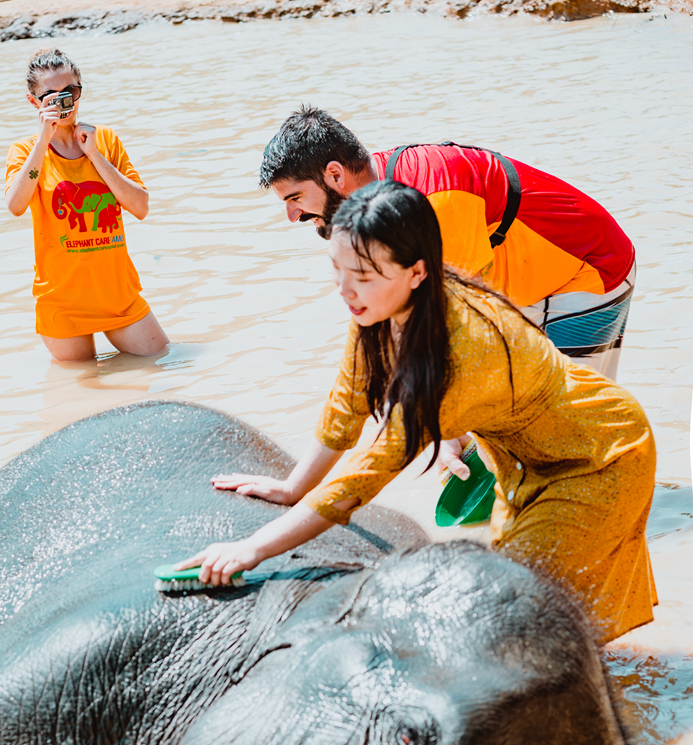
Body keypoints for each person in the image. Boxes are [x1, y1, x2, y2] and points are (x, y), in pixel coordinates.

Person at [175, 180, 656, 645]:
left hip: (597, 457)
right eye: (337, 271)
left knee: (507, 610)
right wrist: (293, 486)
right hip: (525, 463)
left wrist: (252, 549)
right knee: (544, 615)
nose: (346, 290)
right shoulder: (380, 308)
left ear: (418, 271)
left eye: (362, 275)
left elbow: (362, 479)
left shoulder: (462, 347)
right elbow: (348, 401)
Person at [259, 105, 635, 383]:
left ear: (335, 174)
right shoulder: (377, 192)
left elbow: (460, 322)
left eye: (295, 198)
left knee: (566, 425)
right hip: (528, 288)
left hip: (587, 273)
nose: (293, 216)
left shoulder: (437, 201)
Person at [5, 47, 169, 362]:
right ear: (34, 102)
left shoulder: (105, 140)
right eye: (50, 96)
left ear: (80, 92)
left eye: (70, 91)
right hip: (63, 304)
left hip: (118, 297)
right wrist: (43, 138)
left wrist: (93, 154)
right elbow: (15, 205)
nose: (63, 101)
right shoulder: (25, 151)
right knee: (80, 392)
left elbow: (141, 207)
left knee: (161, 364)